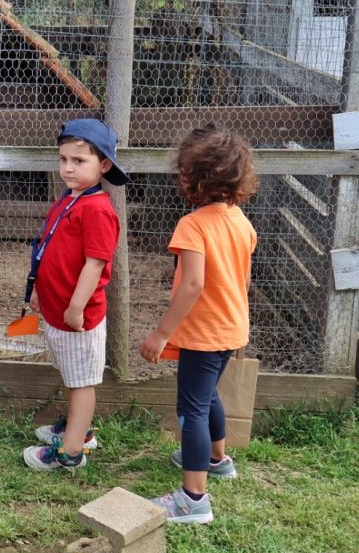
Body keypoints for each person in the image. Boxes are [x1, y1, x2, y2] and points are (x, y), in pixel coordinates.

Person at [139, 124, 257, 524]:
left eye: (184, 170)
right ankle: (217, 459)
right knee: (207, 398)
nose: (180, 176)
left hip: (204, 335)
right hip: (230, 329)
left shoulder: (193, 224)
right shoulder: (240, 220)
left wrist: (161, 332)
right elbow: (243, 281)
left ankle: (193, 499)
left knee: (191, 410)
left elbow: (192, 284)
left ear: (199, 177)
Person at [22, 119, 130, 472]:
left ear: (104, 165)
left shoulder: (98, 209)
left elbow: (96, 264)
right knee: (73, 376)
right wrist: (39, 289)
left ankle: (71, 453)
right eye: (63, 159)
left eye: (79, 161)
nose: (68, 167)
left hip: (77, 316)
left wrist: (76, 306)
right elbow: (50, 247)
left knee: (82, 382)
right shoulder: (70, 199)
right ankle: (78, 431)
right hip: (58, 309)